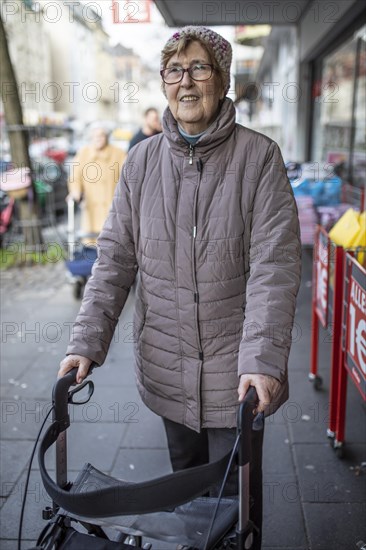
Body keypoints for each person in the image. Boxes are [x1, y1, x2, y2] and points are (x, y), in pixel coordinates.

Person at [59, 26, 301, 549]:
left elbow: (274, 267)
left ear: (222, 79)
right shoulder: (142, 162)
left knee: (236, 505)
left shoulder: (258, 158)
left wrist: (261, 359)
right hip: (167, 370)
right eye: (174, 70)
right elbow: (115, 260)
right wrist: (86, 341)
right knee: (180, 498)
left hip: (235, 379)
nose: (185, 82)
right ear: (164, 82)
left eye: (199, 68)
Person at [67, 125, 126, 242]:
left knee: (112, 239)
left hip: (112, 203)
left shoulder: (118, 153)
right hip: (91, 206)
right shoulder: (83, 153)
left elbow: (127, 176)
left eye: (102, 136)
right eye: (95, 136)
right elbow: (75, 176)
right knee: (92, 242)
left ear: (107, 137)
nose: (98, 139)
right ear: (91, 138)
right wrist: (75, 192)